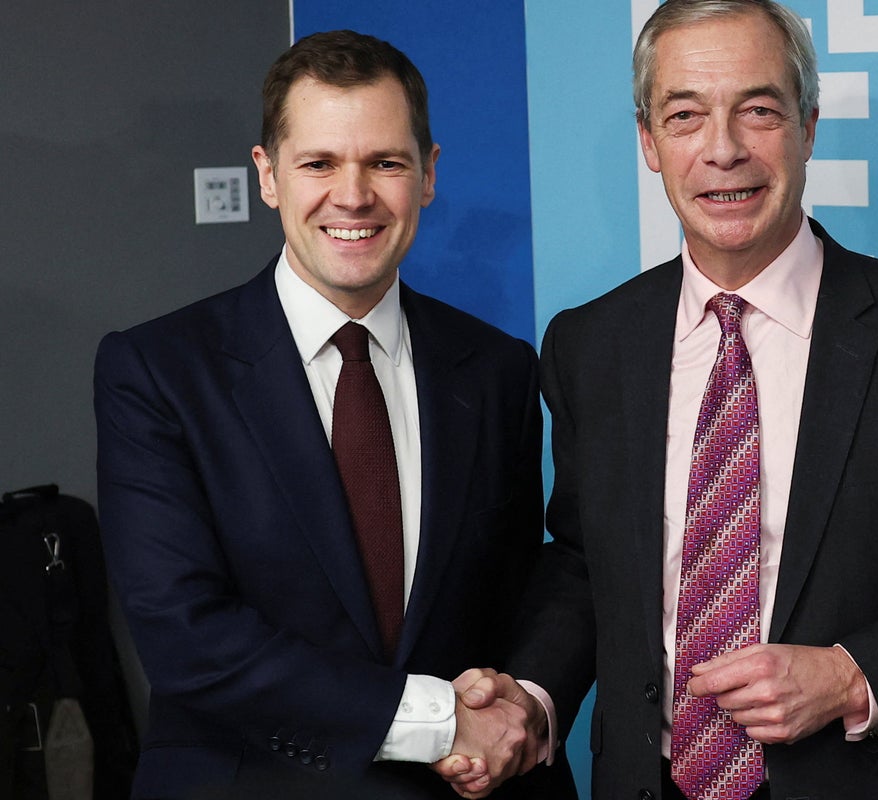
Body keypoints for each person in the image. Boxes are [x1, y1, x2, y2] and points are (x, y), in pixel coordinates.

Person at [440, 1, 878, 798]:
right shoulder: (589, 344)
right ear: (649, 140)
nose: (723, 149)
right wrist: (533, 695)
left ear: (807, 127)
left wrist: (852, 676)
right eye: (685, 116)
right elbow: (587, 561)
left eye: (758, 110)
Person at [93, 29, 574, 800]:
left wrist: (519, 707)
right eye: (319, 163)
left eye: (385, 162)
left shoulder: (497, 369)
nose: (353, 196)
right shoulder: (158, 371)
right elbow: (185, 636)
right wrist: (436, 720)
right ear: (269, 175)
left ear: (428, 174)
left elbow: (516, 596)